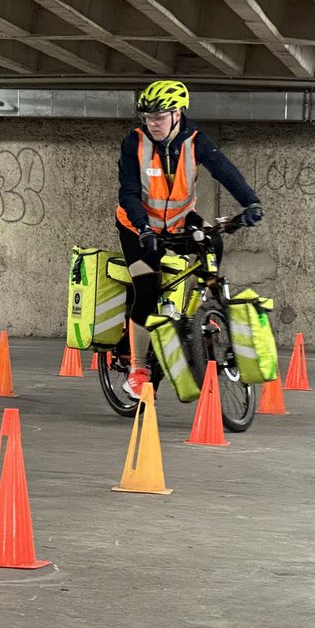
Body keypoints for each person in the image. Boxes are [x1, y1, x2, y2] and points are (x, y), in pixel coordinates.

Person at [115, 80, 264, 399]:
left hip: (180, 220)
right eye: (148, 118)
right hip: (136, 227)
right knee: (148, 288)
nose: (152, 123)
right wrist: (143, 228)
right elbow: (128, 193)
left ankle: (204, 313)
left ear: (178, 113)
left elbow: (225, 171)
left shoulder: (195, 141)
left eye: (159, 117)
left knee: (214, 245)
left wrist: (250, 203)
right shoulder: (135, 143)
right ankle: (138, 369)